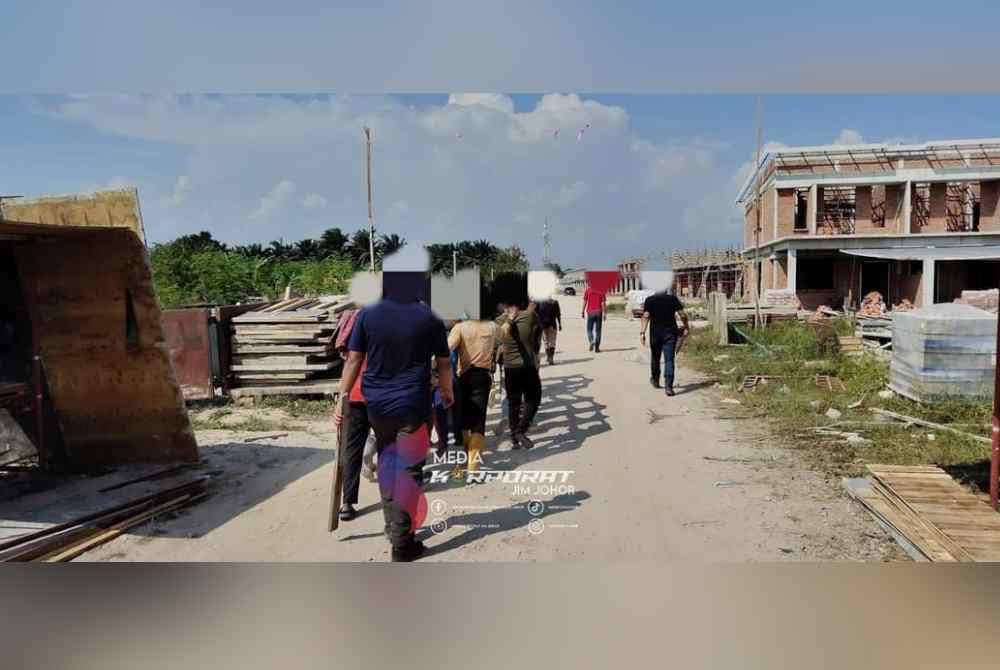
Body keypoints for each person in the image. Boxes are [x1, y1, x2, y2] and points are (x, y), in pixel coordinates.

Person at [336, 295, 453, 562]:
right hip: (412, 404)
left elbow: (353, 359)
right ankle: (402, 544)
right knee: (409, 471)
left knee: (388, 464)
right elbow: (444, 362)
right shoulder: (429, 318)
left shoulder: (367, 314)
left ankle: (393, 527)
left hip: (377, 405)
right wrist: (446, 391)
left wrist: (341, 397)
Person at [448, 315, 499, 479]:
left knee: (463, 417)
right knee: (479, 420)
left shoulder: (460, 328)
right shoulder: (492, 326)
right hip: (483, 376)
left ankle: (466, 452)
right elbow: (504, 338)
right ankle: (474, 466)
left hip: (464, 376)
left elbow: (447, 348)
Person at [496, 300, 542, 449]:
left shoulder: (498, 321)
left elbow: (497, 341)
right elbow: (537, 332)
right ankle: (520, 431)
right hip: (527, 366)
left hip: (509, 368)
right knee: (534, 398)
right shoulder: (530, 316)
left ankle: (514, 438)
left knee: (513, 403)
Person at [639, 286, 690, 396]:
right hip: (670, 333)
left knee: (655, 358)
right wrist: (686, 326)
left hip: (655, 334)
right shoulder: (672, 299)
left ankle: (655, 380)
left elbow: (646, 316)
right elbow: (682, 315)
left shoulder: (650, 300)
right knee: (669, 360)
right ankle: (669, 387)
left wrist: (642, 333)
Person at [534, 297, 562, 365]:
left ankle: (549, 357)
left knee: (546, 341)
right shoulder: (555, 302)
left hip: (543, 325)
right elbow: (558, 314)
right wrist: (560, 324)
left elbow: (535, 313)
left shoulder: (539, 302)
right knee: (552, 342)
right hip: (552, 325)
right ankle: (551, 358)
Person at [581, 284, 607, 352]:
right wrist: (605, 313)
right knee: (598, 331)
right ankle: (597, 348)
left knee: (589, 329)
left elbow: (585, 302)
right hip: (599, 312)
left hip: (590, 312)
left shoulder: (588, 290)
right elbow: (603, 303)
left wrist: (582, 311)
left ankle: (591, 341)